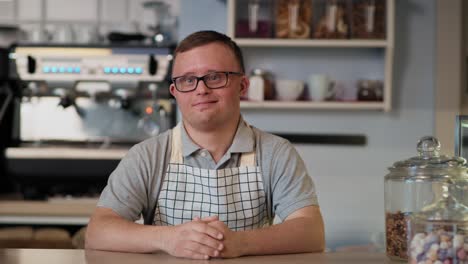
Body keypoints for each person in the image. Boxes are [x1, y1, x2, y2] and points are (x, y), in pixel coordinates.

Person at [85, 30, 325, 259]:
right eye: (188, 80)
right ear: (175, 92)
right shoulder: (147, 156)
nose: (201, 89)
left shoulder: (276, 153)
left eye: (214, 77)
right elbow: (99, 232)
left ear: (242, 85)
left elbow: (312, 232)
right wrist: (168, 239)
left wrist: (240, 243)